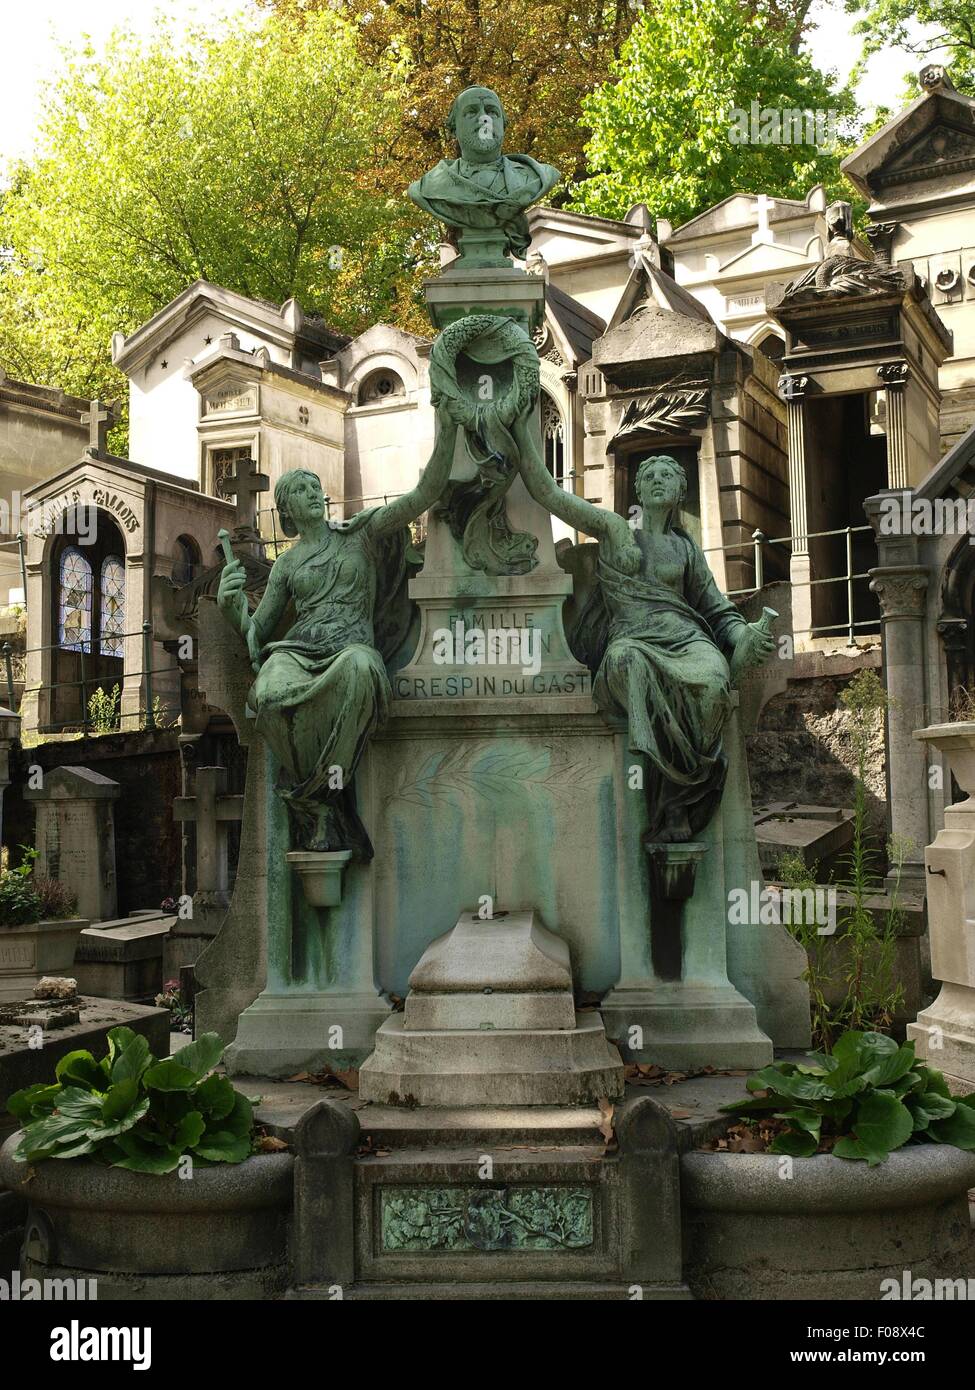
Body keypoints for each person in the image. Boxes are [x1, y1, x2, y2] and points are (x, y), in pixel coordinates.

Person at [514, 432, 775, 841]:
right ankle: (667, 802)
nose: (656, 479)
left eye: (666, 475)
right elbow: (548, 492)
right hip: (632, 639)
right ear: (637, 488)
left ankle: (680, 793)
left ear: (679, 491)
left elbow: (717, 611)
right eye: (648, 475)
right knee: (627, 664)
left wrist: (745, 635)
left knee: (713, 683)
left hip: (687, 641)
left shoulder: (685, 549)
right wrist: (518, 432)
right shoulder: (616, 530)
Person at [216, 419, 457, 855]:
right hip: (299, 649)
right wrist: (232, 608)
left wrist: (450, 430)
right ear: (287, 511)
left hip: (351, 646)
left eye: (315, 487)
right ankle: (322, 800)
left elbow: (422, 496)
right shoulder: (287, 565)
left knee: (362, 670)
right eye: (302, 490)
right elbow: (259, 630)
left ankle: (320, 798)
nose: (315, 493)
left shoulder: (360, 534)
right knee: (267, 694)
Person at [408, 85, 559, 261]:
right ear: (454, 127)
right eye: (471, 112)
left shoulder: (537, 177)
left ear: (504, 123)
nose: (484, 118)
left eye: (492, 112)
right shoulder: (429, 187)